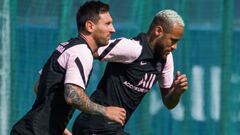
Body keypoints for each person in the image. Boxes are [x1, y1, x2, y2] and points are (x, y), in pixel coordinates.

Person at [10, 1, 127, 135]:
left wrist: (59, 127)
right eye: (107, 24)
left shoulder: (67, 46)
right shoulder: (82, 52)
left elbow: (38, 86)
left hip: (29, 128)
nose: (113, 29)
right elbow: (72, 95)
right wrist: (105, 111)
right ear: (90, 26)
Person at [72, 9, 188, 135]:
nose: (175, 47)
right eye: (173, 40)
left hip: (112, 129)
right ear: (158, 31)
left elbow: (169, 103)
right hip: (93, 125)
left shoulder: (166, 59)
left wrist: (176, 91)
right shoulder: (132, 48)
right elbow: (88, 48)